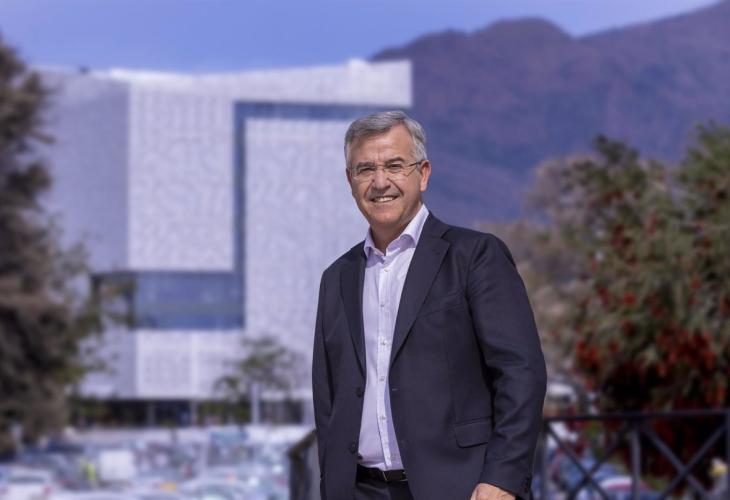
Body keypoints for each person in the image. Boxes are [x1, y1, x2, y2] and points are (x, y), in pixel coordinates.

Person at [312, 111, 546, 500]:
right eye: (366, 169)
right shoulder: (336, 277)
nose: (380, 182)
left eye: (394, 166)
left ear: (422, 174)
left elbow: (521, 373)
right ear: (350, 181)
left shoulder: (474, 256)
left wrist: (504, 478)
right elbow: (328, 398)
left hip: (463, 488)